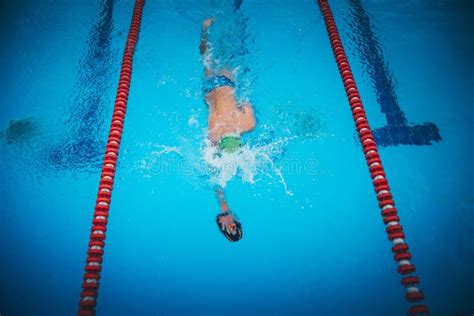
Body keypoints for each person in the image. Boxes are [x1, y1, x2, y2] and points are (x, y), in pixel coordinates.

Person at [200, 17, 256, 242]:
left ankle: (204, 31)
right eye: (235, 225)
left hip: (212, 89)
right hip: (222, 85)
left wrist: (225, 208)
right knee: (219, 53)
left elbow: (218, 186)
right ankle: (222, 26)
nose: (232, 224)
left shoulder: (214, 135)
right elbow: (245, 98)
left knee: (209, 55)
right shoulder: (246, 124)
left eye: (229, 227)